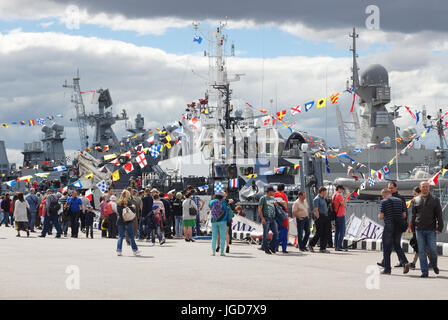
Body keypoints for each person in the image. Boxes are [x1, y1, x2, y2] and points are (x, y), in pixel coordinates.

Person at [411, 181, 444, 277]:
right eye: (423, 187)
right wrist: (413, 227)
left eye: (426, 186)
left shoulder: (435, 199)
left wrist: (440, 228)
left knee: (433, 250)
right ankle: (424, 272)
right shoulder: (416, 200)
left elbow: (439, 215)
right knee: (421, 251)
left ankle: (434, 265)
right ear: (420, 188)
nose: (425, 188)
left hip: (431, 229)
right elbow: (413, 215)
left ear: (429, 188)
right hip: (419, 229)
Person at [378, 188, 410, 275]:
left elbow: (381, 216)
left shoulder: (383, 202)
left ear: (384, 194)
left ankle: (387, 269)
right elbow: (404, 215)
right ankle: (405, 262)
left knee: (386, 248)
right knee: (397, 245)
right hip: (398, 226)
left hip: (389, 226)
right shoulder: (400, 201)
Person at [116, 190, 140, 256]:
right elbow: (133, 212)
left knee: (120, 236)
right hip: (129, 221)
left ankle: (119, 250)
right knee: (131, 236)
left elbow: (119, 212)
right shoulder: (129, 202)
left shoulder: (119, 202)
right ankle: (135, 250)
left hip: (121, 221)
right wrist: (133, 207)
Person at [309, 187, 331, 253]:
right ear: (322, 191)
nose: (326, 193)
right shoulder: (317, 199)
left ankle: (322, 248)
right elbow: (316, 209)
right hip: (320, 216)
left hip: (325, 216)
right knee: (319, 232)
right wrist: (318, 217)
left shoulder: (323, 198)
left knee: (325, 232)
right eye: (325, 191)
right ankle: (311, 244)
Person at [258, 186, 279, 255]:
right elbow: (260, 209)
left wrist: (276, 204)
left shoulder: (272, 198)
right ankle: (266, 249)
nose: (274, 193)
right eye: (273, 191)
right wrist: (262, 218)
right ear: (269, 191)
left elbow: (276, 206)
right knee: (265, 234)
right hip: (266, 218)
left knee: (276, 233)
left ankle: (271, 246)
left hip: (273, 218)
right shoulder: (263, 198)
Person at [209, 192, 229, 256]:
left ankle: (213, 252)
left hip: (214, 220)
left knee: (214, 237)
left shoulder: (212, 202)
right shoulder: (224, 201)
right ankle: (222, 252)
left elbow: (210, 207)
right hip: (223, 220)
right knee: (222, 237)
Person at [332, 185, 350, 251]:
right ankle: (339, 246)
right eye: (342, 189)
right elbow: (343, 204)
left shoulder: (333, 195)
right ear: (339, 189)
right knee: (342, 231)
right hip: (340, 215)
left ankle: (336, 245)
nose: (342, 191)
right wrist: (347, 197)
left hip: (336, 215)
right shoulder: (339, 195)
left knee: (337, 231)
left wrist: (345, 198)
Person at [275, 184, 289, 254]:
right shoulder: (283, 195)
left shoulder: (274, 194)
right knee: (284, 234)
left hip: (276, 216)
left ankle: (275, 247)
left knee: (277, 232)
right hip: (283, 216)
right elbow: (285, 206)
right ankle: (283, 248)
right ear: (283, 189)